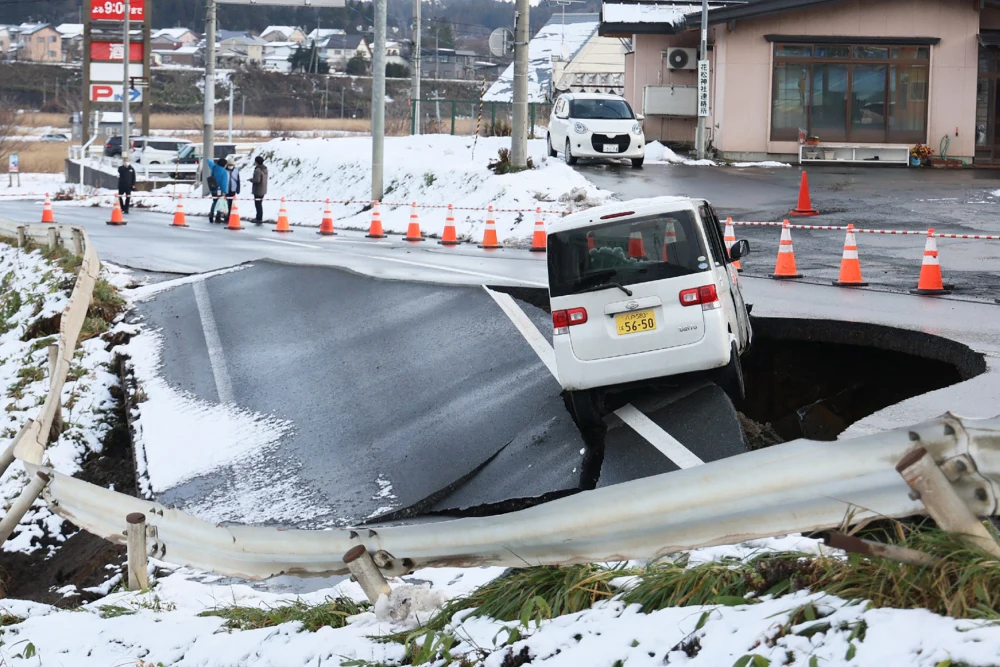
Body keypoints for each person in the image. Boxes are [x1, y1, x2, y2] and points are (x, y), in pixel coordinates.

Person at [205, 157, 229, 223]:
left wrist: (208, 159)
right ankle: (218, 217)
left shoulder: (214, 167)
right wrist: (224, 191)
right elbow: (224, 182)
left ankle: (211, 215)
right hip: (219, 190)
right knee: (219, 203)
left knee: (215, 201)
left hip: (213, 188)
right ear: (224, 164)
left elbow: (209, 162)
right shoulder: (224, 171)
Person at [251, 155, 268, 224]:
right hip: (263, 189)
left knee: (257, 204)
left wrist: (252, 180)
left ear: (256, 162)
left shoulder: (258, 170)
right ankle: (259, 216)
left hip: (258, 189)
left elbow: (257, 180)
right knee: (260, 203)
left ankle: (259, 217)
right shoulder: (265, 169)